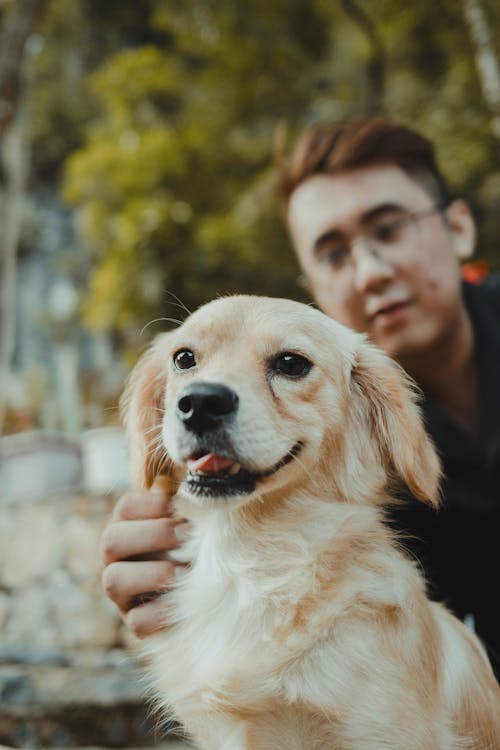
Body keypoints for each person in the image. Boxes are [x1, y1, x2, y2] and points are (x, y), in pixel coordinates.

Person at [100, 117, 500, 679]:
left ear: (459, 228)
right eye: (333, 255)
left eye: (389, 229)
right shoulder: (311, 450)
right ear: (314, 292)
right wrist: (173, 580)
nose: (369, 273)